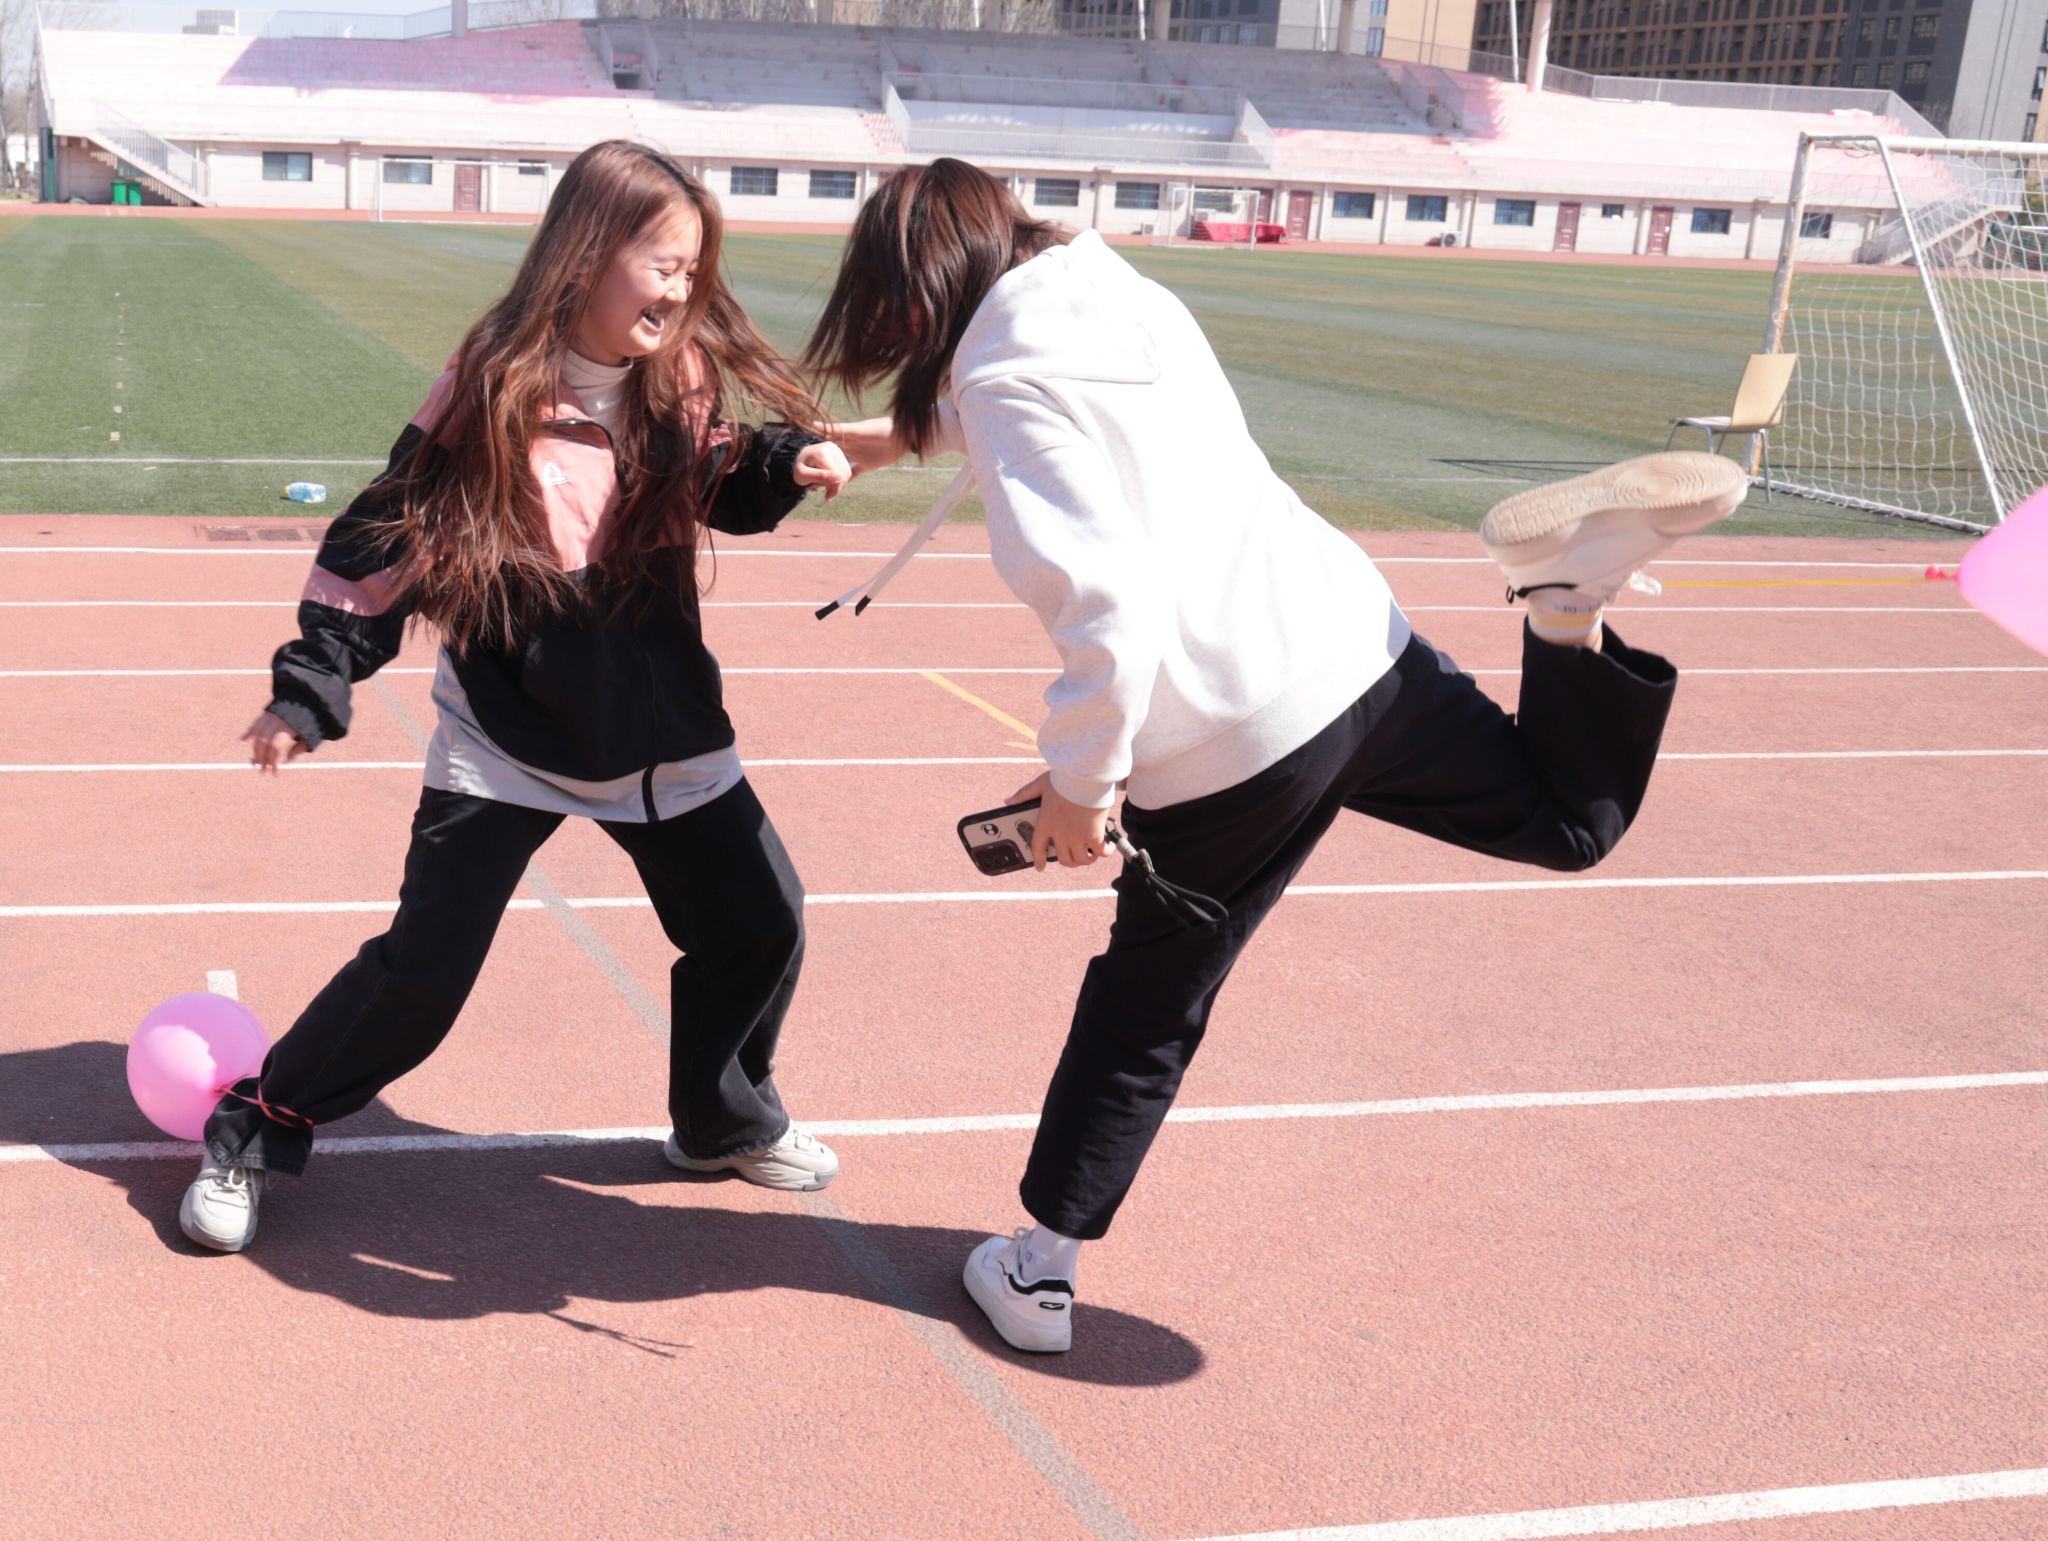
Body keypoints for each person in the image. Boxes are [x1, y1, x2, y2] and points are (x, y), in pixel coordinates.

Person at [808, 158, 1748, 1352]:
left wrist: (1080, 788)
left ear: (911, 290)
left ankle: (1037, 1270)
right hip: (1356, 652)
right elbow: (1052, 395)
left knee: (1147, 1003)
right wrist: (893, 438)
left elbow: (1106, 607)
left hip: (1234, 738)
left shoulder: (1000, 380)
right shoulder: (1114, 290)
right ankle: (1561, 605)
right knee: (1568, 821)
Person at [180, 141, 853, 1253]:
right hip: (508, 741)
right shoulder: (493, 386)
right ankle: (256, 1124)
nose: (681, 289)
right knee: (423, 976)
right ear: (587, 256)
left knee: (759, 922)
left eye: (693, 269)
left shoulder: (677, 377)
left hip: (664, 736)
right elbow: (391, 529)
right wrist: (311, 684)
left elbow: (717, 476)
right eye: (663, 265)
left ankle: (719, 1121)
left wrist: (784, 464)